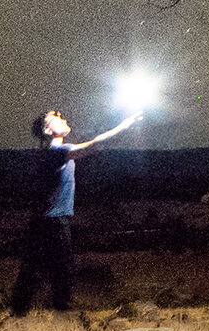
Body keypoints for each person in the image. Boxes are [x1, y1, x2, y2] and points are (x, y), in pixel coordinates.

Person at [9, 106, 141, 316]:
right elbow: (95, 144)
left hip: (44, 222)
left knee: (34, 272)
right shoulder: (59, 152)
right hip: (53, 223)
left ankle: (19, 317)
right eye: (54, 118)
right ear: (47, 131)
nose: (61, 117)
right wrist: (124, 126)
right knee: (61, 271)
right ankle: (61, 319)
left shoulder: (54, 153)